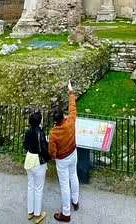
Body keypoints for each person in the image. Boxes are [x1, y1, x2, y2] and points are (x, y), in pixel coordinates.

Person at [49, 81, 79, 222]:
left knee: (64, 184)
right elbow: (72, 109)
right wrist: (71, 92)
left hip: (62, 158)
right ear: (63, 116)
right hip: (73, 153)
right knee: (73, 176)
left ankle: (66, 213)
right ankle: (76, 200)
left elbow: (52, 150)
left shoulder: (54, 133)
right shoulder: (70, 122)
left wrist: (54, 157)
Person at [23, 111, 49, 223]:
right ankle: (38, 215)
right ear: (39, 122)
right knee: (38, 188)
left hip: (29, 158)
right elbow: (44, 148)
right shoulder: (40, 133)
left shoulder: (28, 132)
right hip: (38, 160)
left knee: (30, 186)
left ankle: (30, 212)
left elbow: (25, 145)